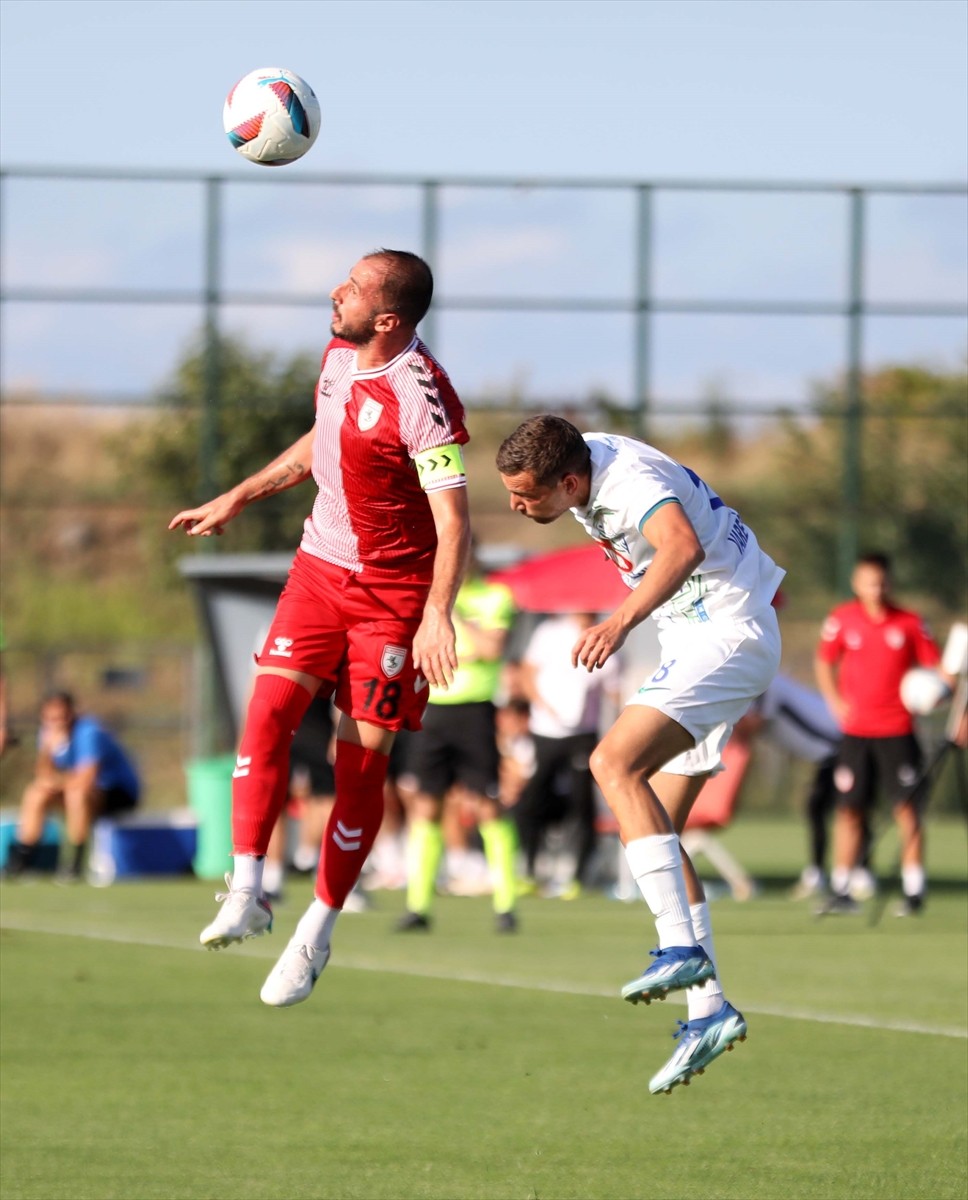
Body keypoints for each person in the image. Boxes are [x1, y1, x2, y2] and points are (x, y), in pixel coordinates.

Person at [170, 249, 471, 1008]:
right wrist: (239, 494)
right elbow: (323, 438)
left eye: (357, 288)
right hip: (318, 571)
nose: (338, 292)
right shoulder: (339, 353)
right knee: (266, 713)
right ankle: (247, 888)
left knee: (359, 771)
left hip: (394, 598)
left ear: (390, 318)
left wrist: (436, 612)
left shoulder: (422, 395)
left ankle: (317, 931)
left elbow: (455, 520)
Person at [496, 415, 784, 1095]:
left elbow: (679, 545)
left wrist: (620, 620)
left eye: (527, 495)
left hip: (725, 633)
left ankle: (680, 949)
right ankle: (709, 1011)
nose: (517, 505)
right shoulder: (581, 465)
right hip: (701, 636)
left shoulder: (628, 481)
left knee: (611, 764)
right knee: (658, 828)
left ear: (569, 480)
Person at [396, 550, 519, 932]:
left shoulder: (494, 597)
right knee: (426, 806)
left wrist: (454, 615)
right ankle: (418, 905)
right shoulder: (427, 599)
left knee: (487, 806)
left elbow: (492, 648)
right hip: (434, 711)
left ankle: (506, 905)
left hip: (475, 711)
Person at [815, 552, 943, 917]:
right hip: (856, 733)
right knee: (849, 811)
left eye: (882, 581)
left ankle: (914, 890)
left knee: (907, 810)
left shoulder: (911, 623)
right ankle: (842, 889)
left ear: (890, 582)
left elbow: (936, 671)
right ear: (857, 583)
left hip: (898, 731)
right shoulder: (842, 619)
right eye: (868, 581)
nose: (876, 588)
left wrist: (941, 691)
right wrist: (835, 701)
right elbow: (824, 660)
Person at [514, 611, 620, 898]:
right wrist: (543, 705)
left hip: (582, 734)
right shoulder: (550, 632)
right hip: (546, 730)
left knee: (581, 804)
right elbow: (528, 672)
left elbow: (614, 689)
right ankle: (529, 867)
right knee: (532, 799)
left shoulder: (607, 634)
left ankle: (576, 874)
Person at [4, 690, 141, 881]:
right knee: (36, 793)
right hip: (75, 790)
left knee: (76, 793)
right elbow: (43, 775)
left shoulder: (88, 731)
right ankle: (20, 860)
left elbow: (87, 778)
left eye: (61, 717)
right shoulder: (47, 734)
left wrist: (57, 781)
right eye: (50, 718)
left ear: (72, 713)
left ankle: (75, 863)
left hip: (116, 793)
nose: (56, 722)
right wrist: (47, 751)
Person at [735, 673, 849, 900]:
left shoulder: (766, 683)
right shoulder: (755, 682)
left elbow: (755, 723)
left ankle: (851, 874)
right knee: (818, 809)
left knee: (844, 811)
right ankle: (821, 873)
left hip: (839, 746)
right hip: (828, 754)